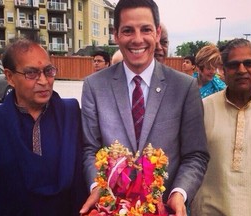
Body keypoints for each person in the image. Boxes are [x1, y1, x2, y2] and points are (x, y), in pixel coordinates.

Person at [80, 0, 209, 215]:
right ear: (116, 35)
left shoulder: (184, 88)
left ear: (157, 33)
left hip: (164, 209)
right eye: (128, 30)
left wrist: (179, 193)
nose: (137, 39)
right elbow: (89, 149)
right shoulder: (94, 86)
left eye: (146, 29)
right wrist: (97, 187)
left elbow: (195, 155)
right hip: (112, 209)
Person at [0, 38, 86, 215]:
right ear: (10, 77)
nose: (44, 81)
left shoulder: (71, 114)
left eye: (48, 71)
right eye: (31, 73)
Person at [191, 38, 251, 216]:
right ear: (222, 71)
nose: (242, 70)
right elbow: (190, 162)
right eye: (233, 65)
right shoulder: (203, 108)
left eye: (249, 63)